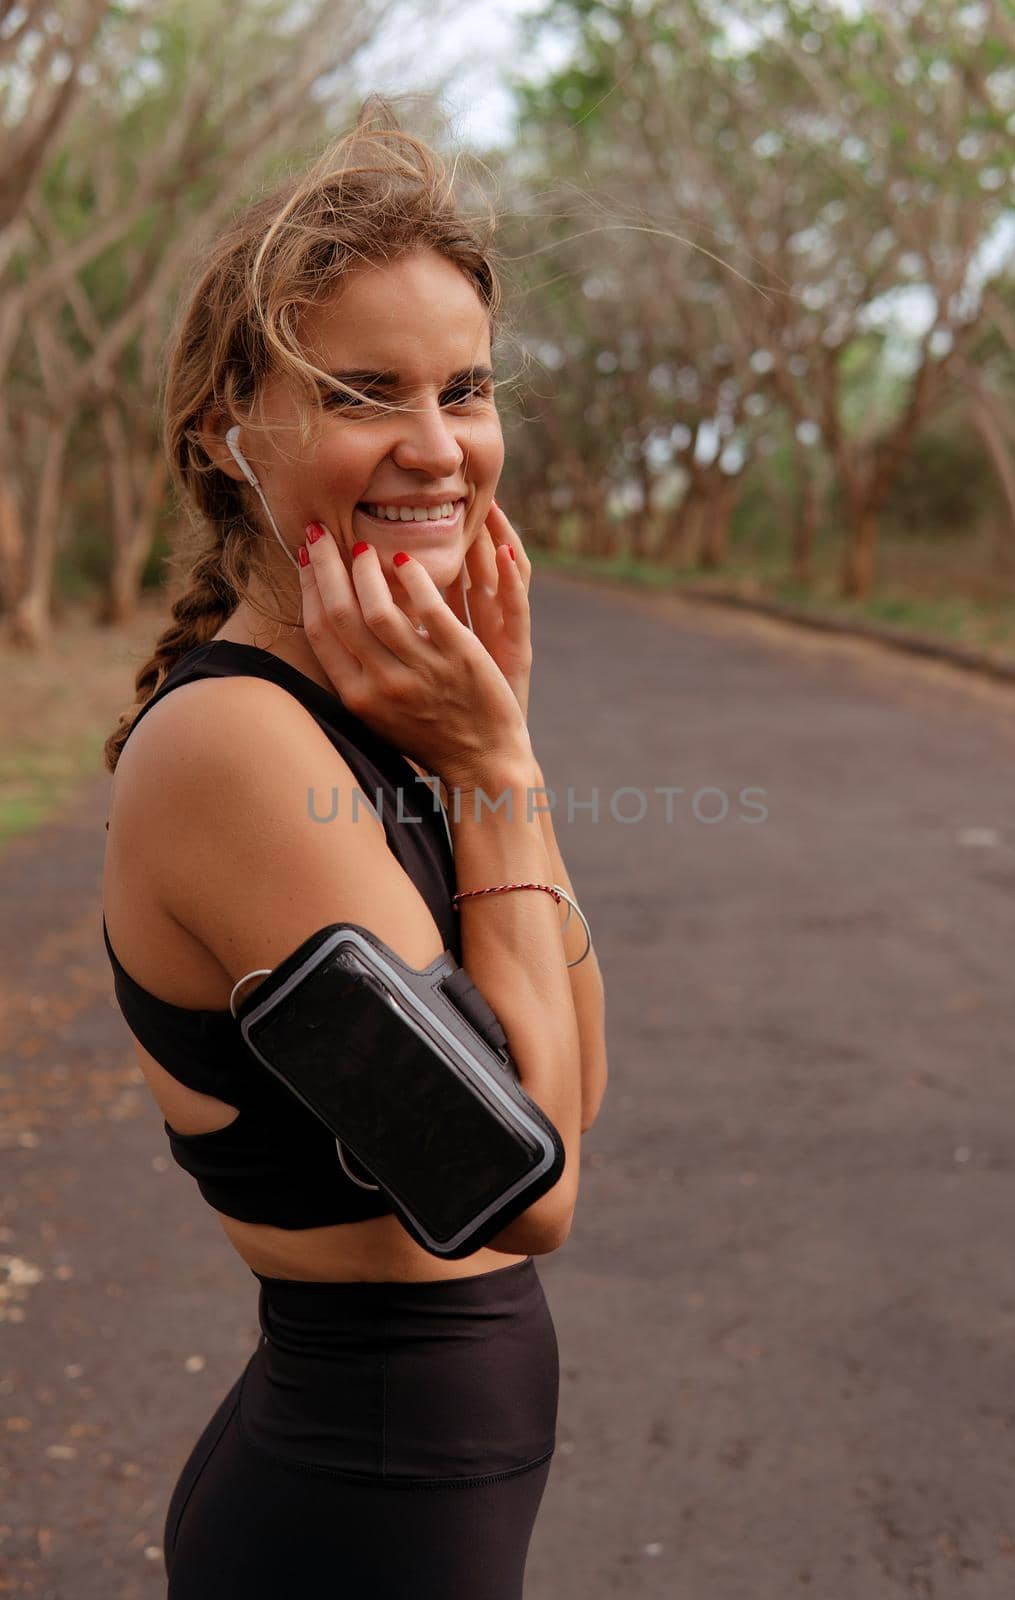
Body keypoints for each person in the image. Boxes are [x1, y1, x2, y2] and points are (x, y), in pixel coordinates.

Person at [99, 98, 608, 1598]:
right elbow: (529, 1183)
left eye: (467, 389)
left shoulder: (382, 722)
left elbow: (576, 1084)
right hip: (361, 1505)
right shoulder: (232, 747)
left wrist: (487, 746)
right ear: (225, 428)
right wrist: (499, 767)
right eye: (362, 392)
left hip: (396, 1487)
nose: (439, 448)